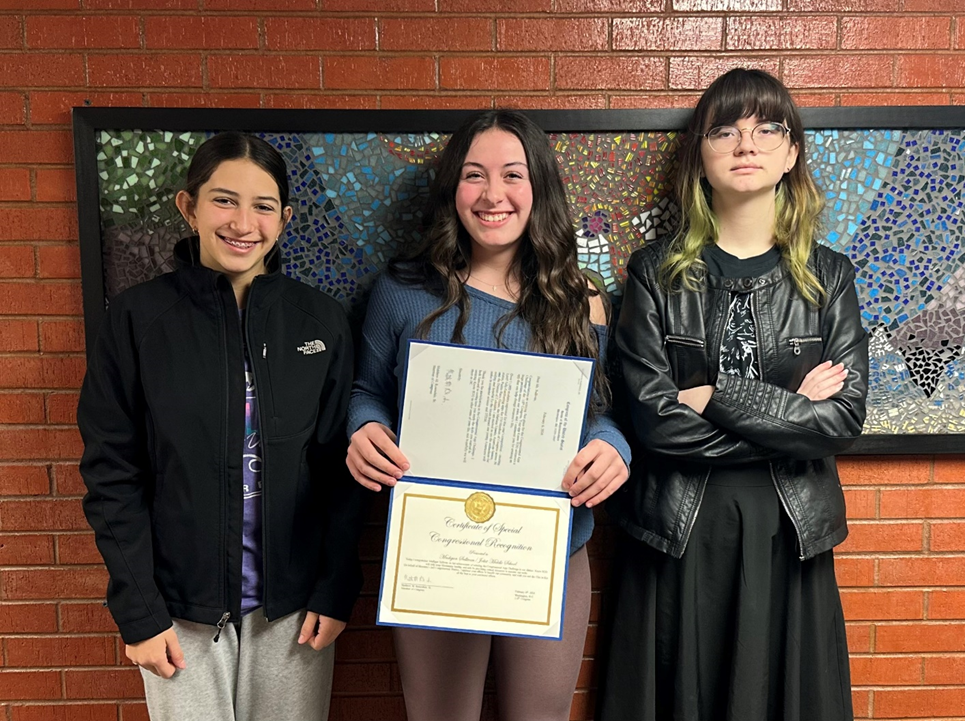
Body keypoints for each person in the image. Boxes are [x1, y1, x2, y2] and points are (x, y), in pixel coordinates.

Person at [598, 68, 869, 721]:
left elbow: (841, 420)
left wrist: (712, 392)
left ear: (790, 151)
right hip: (678, 528)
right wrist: (788, 407)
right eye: (725, 129)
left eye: (766, 127)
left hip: (788, 527)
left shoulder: (828, 276)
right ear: (699, 152)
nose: (745, 143)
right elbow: (655, 423)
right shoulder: (654, 272)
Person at [345, 109, 631, 721]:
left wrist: (614, 449)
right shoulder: (402, 289)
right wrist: (363, 428)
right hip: (435, 549)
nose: (492, 194)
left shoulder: (581, 299)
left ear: (540, 190)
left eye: (512, 175)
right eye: (474, 175)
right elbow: (364, 391)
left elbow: (601, 410)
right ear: (453, 188)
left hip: (550, 549)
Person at [78, 132, 366, 721]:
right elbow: (112, 472)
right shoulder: (137, 320)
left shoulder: (320, 322)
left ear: (284, 219)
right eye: (224, 200)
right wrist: (139, 610)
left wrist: (336, 588)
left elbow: (341, 470)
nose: (243, 223)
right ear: (189, 207)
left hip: (291, 613)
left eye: (263, 206)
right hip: (178, 612)